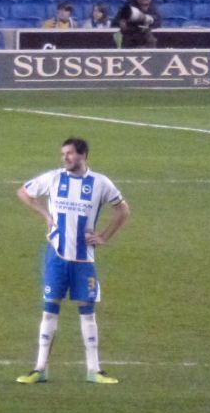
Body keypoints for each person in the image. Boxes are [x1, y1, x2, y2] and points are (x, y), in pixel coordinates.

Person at [15, 139, 130, 385]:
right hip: (56, 255)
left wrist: (104, 237)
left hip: (83, 259)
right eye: (63, 153)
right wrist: (45, 214)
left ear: (83, 155)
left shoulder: (100, 183)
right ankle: (39, 368)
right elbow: (23, 192)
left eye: (69, 153)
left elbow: (123, 210)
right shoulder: (54, 178)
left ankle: (94, 370)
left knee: (87, 313)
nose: (64, 157)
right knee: (49, 309)